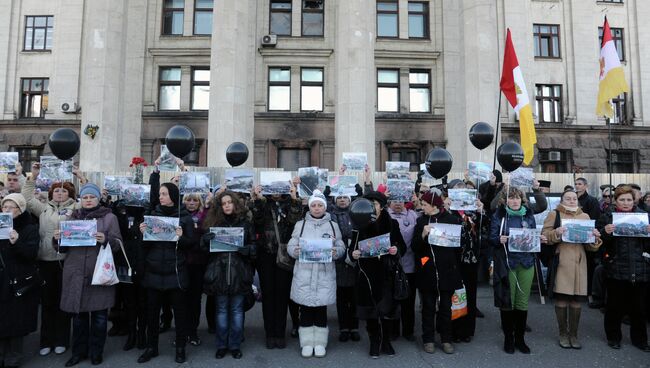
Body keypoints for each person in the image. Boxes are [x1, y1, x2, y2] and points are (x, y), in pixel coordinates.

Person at [53, 183, 122, 367]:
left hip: (98, 272)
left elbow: (118, 244)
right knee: (78, 318)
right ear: (80, 200)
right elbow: (62, 248)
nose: (88, 200)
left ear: (98, 199)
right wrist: (57, 239)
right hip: (75, 273)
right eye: (85, 197)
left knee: (99, 318)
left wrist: (106, 239)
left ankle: (96, 352)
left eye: (92, 197)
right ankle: (78, 352)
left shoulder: (109, 218)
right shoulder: (71, 217)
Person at [23, 164, 80, 357]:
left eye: (64, 191)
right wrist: (33, 176)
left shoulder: (76, 208)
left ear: (69, 193)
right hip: (45, 261)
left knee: (63, 303)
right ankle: (45, 340)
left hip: (66, 261)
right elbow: (27, 199)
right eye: (57, 191)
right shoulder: (43, 209)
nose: (60, 194)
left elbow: (94, 199)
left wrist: (79, 176)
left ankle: (62, 339)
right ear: (51, 193)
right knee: (47, 303)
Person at [137, 178, 194, 364]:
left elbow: (191, 245)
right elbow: (144, 245)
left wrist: (181, 237)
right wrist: (142, 232)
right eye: (160, 194)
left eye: (164, 194)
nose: (160, 197)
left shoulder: (184, 217)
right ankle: (152, 347)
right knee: (152, 314)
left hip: (176, 272)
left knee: (180, 313)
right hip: (154, 272)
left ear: (173, 196)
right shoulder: (152, 215)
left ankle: (180, 348)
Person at [542, 190, 602, 349]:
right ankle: (563, 334)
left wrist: (595, 237)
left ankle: (573, 335)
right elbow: (544, 236)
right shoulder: (554, 215)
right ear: (562, 200)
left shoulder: (585, 217)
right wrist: (557, 232)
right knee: (562, 298)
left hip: (580, 263)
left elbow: (591, 247)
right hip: (562, 261)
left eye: (574, 198)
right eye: (568, 198)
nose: (571, 201)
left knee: (576, 300)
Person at [349, 191, 406, 358]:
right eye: (368, 204)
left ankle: (386, 341)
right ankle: (374, 341)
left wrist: (396, 249)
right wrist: (354, 254)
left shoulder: (392, 223)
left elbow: (402, 246)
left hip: (387, 272)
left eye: (374, 204)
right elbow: (352, 249)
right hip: (366, 273)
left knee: (387, 310)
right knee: (370, 311)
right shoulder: (359, 224)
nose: (371, 207)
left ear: (381, 206)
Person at [288, 190, 344, 358]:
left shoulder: (333, 225)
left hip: (324, 275)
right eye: (314, 205)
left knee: (320, 309)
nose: (317, 208)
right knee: (305, 309)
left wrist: (336, 252)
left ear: (325, 207)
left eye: (320, 205)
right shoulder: (301, 224)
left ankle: (319, 343)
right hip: (304, 274)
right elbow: (291, 245)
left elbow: (341, 246)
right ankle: (306, 343)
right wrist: (295, 251)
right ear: (309, 207)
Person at [201, 191, 256, 360]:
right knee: (222, 311)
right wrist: (205, 240)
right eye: (223, 203)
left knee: (237, 311)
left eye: (230, 202)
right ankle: (221, 345)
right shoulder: (213, 223)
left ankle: (235, 345)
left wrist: (248, 250)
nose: (227, 205)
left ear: (235, 204)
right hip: (219, 273)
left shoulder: (246, 223)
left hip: (239, 273)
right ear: (219, 206)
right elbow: (204, 251)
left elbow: (254, 246)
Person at [596, 185, 650, 352]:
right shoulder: (607, 217)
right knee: (614, 306)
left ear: (634, 200)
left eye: (629, 199)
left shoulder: (644, 216)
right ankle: (613, 337)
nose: (626, 203)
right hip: (616, 268)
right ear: (616, 201)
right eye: (622, 200)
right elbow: (598, 244)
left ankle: (640, 340)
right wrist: (604, 232)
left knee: (639, 308)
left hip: (641, 268)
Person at [250, 183, 303, 349]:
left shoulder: (290, 204)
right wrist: (258, 200)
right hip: (265, 255)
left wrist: (294, 199)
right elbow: (256, 220)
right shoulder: (263, 204)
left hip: (285, 256)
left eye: (278, 189)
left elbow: (294, 222)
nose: (275, 193)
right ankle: (269, 333)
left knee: (282, 295)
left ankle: (280, 334)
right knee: (268, 296)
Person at [490, 187, 541, 354]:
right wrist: (499, 239)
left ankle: (520, 339)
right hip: (507, 263)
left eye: (517, 198)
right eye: (511, 198)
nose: (514, 201)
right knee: (508, 301)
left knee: (522, 302)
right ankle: (508, 338)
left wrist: (538, 238)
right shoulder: (499, 215)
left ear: (522, 199)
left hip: (526, 262)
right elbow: (491, 238)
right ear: (505, 200)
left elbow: (532, 235)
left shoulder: (528, 215)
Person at [412, 189, 463, 354]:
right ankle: (428, 339)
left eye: (425, 204)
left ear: (434, 205)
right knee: (428, 307)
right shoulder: (421, 221)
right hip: (427, 271)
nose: (422, 206)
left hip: (447, 271)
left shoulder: (451, 220)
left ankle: (446, 339)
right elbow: (415, 248)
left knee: (446, 308)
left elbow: (458, 246)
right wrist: (423, 234)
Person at [0, 194, 40, 368]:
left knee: (16, 319)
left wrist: (16, 243)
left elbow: (31, 254)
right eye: (4, 207)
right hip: (1, 279)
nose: (7, 210)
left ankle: (13, 356)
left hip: (18, 279)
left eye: (11, 207)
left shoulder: (29, 227)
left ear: (20, 209)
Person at [386, 197, 419, 342]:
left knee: (409, 300)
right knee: (393, 300)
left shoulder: (413, 215)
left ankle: (408, 330)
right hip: (391, 266)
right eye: (394, 200)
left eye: (400, 200)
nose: (397, 203)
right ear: (388, 202)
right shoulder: (385, 216)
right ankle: (393, 330)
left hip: (410, 264)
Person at [329, 194, 360, 342]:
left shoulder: (356, 212)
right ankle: (343, 328)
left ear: (350, 199)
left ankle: (354, 327)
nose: (342, 200)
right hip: (339, 259)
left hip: (355, 256)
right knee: (341, 296)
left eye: (345, 197)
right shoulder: (331, 214)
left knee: (355, 296)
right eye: (339, 197)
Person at [182, 193, 210, 346]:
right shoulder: (179, 215)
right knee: (181, 300)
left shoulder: (204, 216)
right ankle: (182, 332)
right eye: (188, 200)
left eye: (195, 200)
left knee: (195, 300)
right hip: (182, 263)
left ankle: (192, 332)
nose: (191, 203)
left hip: (199, 263)